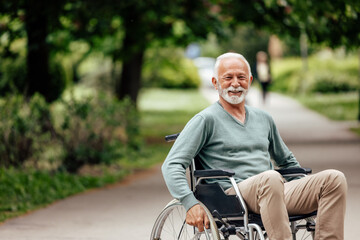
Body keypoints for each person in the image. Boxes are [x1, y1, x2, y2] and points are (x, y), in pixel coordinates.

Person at [161, 52, 347, 240]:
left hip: (274, 189)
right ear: (215, 83)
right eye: (228, 78)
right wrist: (190, 203)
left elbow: (287, 161)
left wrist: (300, 183)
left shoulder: (263, 118)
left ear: (249, 81)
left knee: (334, 179)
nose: (235, 83)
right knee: (270, 178)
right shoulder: (205, 120)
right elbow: (172, 165)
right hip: (232, 194)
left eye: (241, 77)